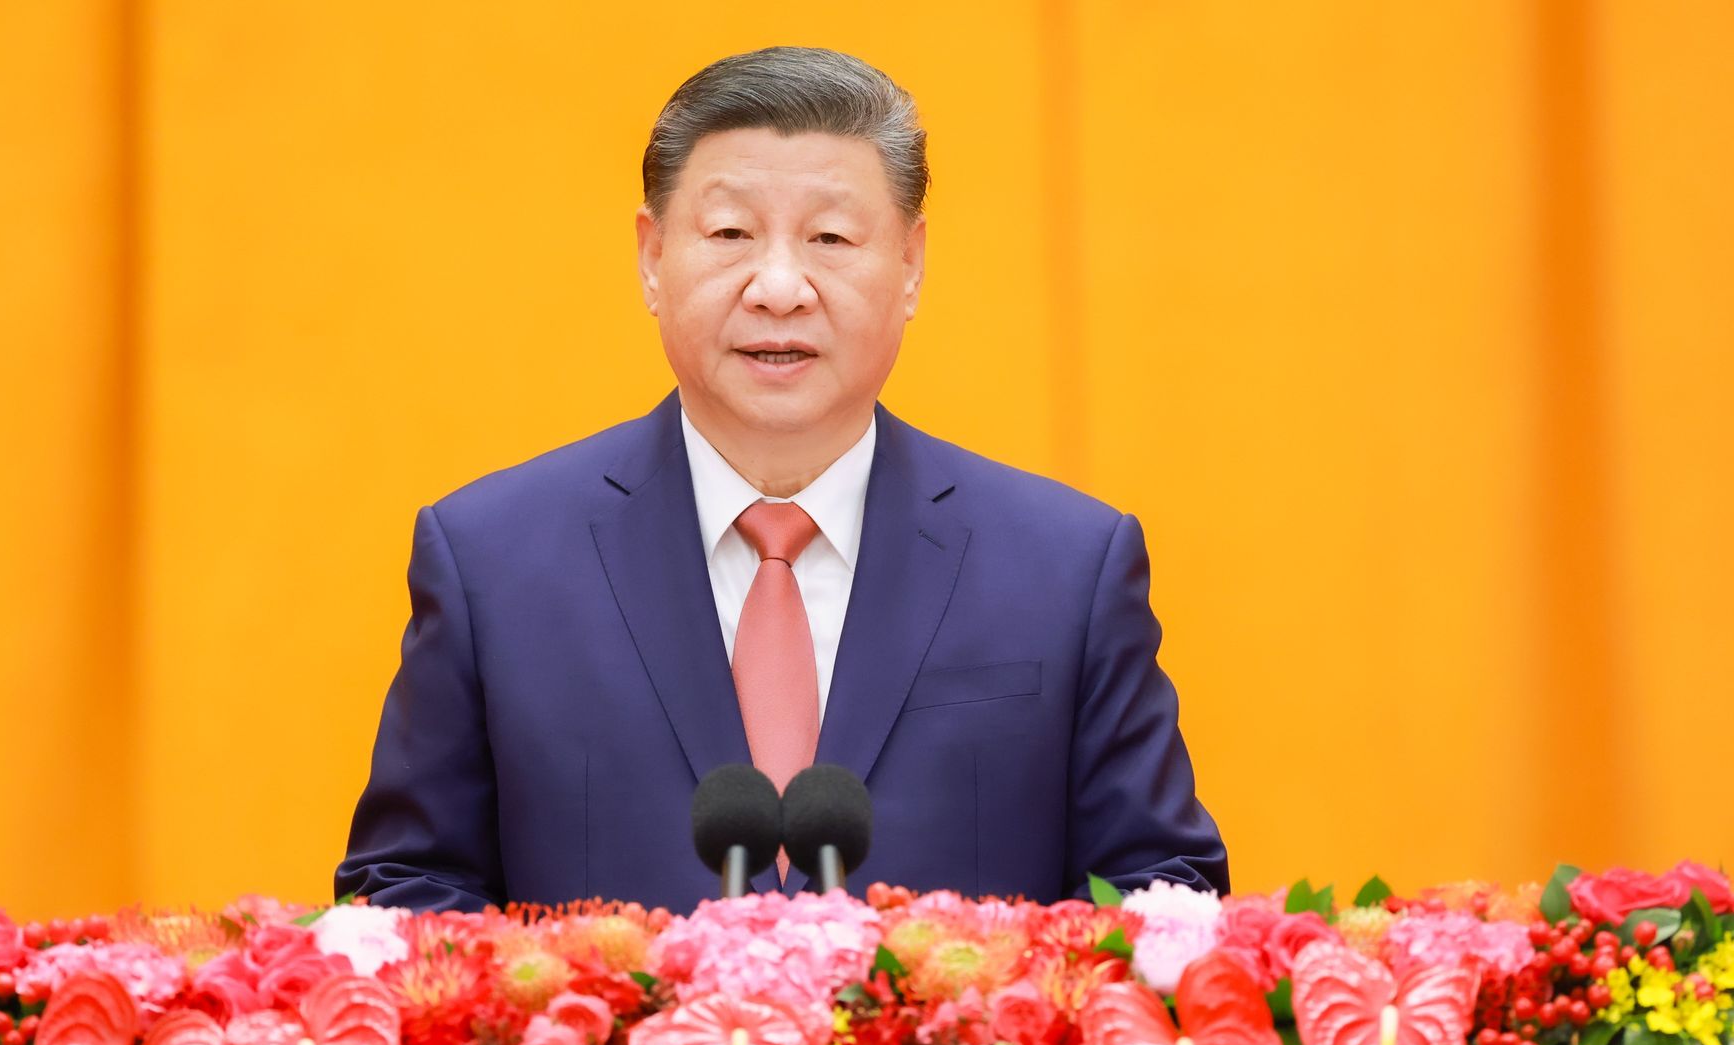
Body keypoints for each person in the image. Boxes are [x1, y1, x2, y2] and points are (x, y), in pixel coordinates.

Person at [334, 46, 1227, 914]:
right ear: (652, 258)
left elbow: (1159, 898)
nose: (779, 286)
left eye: (831, 237)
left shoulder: (1068, 567)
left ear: (910, 265)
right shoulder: (491, 561)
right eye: (729, 234)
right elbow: (410, 898)